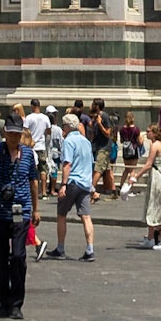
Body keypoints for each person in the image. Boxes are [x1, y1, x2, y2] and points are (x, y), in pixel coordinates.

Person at [0, 116, 39, 317]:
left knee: (18, 256)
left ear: (21, 134)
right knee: (0, 258)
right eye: (10, 133)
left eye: (16, 134)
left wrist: (36, 209)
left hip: (22, 212)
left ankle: (16, 304)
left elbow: (34, 182)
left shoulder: (28, 154)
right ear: (4, 133)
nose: (13, 137)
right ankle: (4, 303)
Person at [49, 111, 95, 261]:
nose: (63, 129)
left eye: (64, 126)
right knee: (86, 217)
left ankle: (60, 248)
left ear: (68, 127)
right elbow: (90, 164)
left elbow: (67, 164)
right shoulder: (86, 141)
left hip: (73, 182)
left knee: (62, 214)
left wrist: (63, 184)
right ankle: (90, 249)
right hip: (85, 183)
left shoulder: (68, 141)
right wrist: (92, 186)